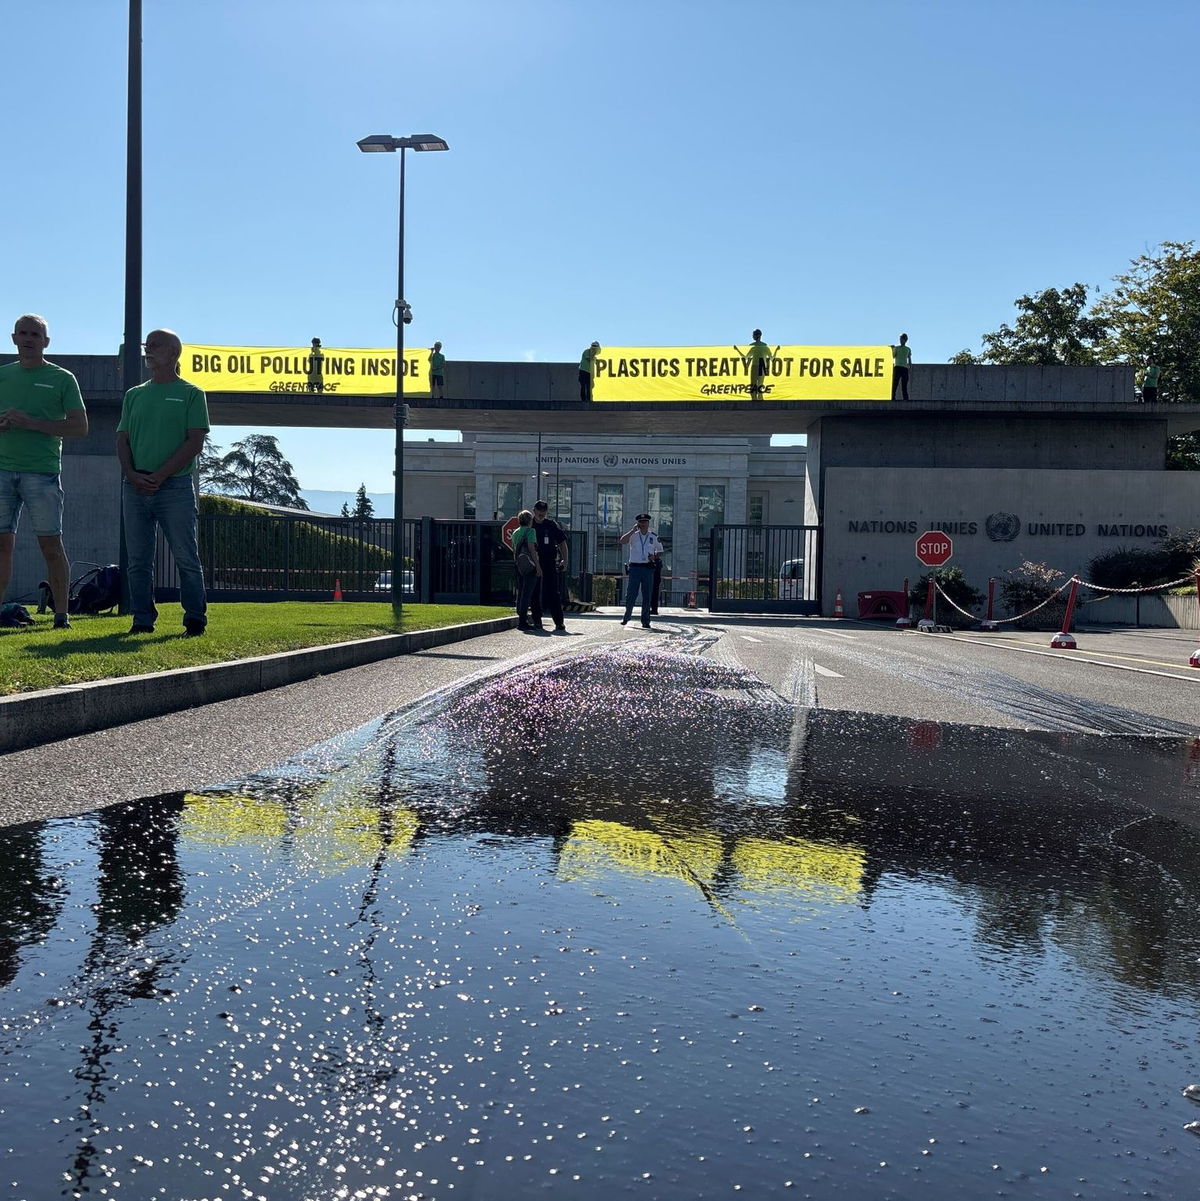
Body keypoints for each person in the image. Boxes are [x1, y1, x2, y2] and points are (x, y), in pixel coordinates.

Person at [115, 328, 210, 636]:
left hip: (175, 488)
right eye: (148, 345)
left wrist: (160, 476)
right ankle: (142, 620)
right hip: (135, 487)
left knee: (186, 556)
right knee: (138, 561)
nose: (149, 349)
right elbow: (122, 438)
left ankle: (195, 618)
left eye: (155, 345)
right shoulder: (134, 395)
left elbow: (194, 442)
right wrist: (131, 474)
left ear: (173, 353)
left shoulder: (192, 394)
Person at [0, 314, 88, 630]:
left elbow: (80, 427)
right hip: (2, 471)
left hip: (41, 473)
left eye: (34, 334)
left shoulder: (62, 378)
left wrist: (32, 423)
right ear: (13, 338)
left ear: (45, 341)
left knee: (51, 545)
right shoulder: (3, 376)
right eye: (22, 333)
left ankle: (61, 616)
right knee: (2, 544)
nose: (28, 339)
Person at [529, 499, 568, 632]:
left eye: (543, 511)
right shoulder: (529, 524)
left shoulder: (551, 525)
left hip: (549, 561)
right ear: (534, 510)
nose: (541, 513)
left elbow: (562, 543)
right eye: (539, 510)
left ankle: (559, 622)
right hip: (534, 561)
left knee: (553, 592)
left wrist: (565, 560)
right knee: (535, 592)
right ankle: (537, 620)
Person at [620, 512, 663, 628]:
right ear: (638, 523)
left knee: (647, 595)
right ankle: (627, 616)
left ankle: (645, 620)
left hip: (647, 568)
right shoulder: (633, 535)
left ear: (648, 523)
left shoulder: (653, 537)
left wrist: (654, 557)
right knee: (631, 595)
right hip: (635, 568)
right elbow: (622, 541)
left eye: (645, 522)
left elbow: (660, 550)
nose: (643, 524)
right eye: (641, 522)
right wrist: (632, 531)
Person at [511, 508, 542, 630]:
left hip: (519, 566)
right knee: (527, 594)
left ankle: (521, 617)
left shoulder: (515, 533)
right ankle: (523, 621)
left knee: (520, 594)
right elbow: (532, 550)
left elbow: (514, 550)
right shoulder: (531, 531)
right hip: (530, 566)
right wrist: (538, 567)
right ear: (530, 521)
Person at [733, 330, 779, 399]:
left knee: (753, 385)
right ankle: (760, 400)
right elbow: (772, 358)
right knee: (760, 384)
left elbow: (745, 357)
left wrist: (737, 350)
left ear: (755, 336)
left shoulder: (753, 346)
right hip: (762, 365)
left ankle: (754, 401)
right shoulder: (765, 346)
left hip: (755, 365)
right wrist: (776, 350)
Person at [892, 333, 912, 400]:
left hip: (904, 368)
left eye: (902, 339)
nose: (901, 340)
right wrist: (892, 349)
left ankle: (905, 398)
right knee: (895, 383)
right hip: (897, 367)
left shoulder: (908, 349)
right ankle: (892, 397)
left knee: (904, 385)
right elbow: (893, 356)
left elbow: (909, 358)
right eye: (900, 339)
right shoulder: (897, 348)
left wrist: (910, 366)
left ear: (905, 340)